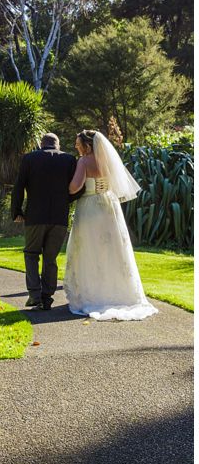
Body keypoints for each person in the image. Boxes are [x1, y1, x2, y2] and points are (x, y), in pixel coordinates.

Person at [64, 129, 158, 321]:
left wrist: (63, 185)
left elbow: (74, 186)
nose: (76, 146)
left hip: (90, 208)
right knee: (112, 249)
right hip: (109, 206)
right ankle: (118, 292)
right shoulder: (107, 160)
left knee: (90, 250)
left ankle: (93, 294)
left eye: (78, 144)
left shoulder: (84, 161)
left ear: (87, 146)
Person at [11, 132, 81, 310]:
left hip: (35, 216)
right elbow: (79, 189)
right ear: (57, 145)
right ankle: (47, 298)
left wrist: (17, 211)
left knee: (31, 254)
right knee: (50, 258)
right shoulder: (69, 160)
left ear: (42, 144)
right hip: (59, 217)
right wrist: (64, 201)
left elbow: (19, 186)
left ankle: (34, 295)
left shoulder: (29, 158)